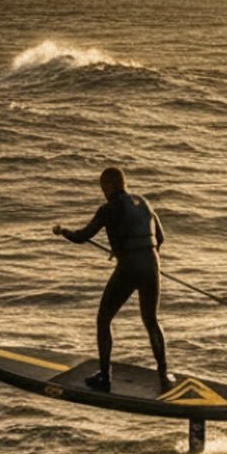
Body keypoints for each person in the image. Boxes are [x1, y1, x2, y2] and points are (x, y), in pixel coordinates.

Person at [54, 166, 174, 393]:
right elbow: (160, 237)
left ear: (109, 186)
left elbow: (82, 236)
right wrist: (129, 248)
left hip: (129, 267)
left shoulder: (108, 209)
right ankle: (164, 376)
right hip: (152, 264)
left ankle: (104, 377)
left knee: (103, 319)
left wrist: (64, 231)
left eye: (103, 187)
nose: (103, 192)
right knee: (151, 320)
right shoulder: (144, 202)